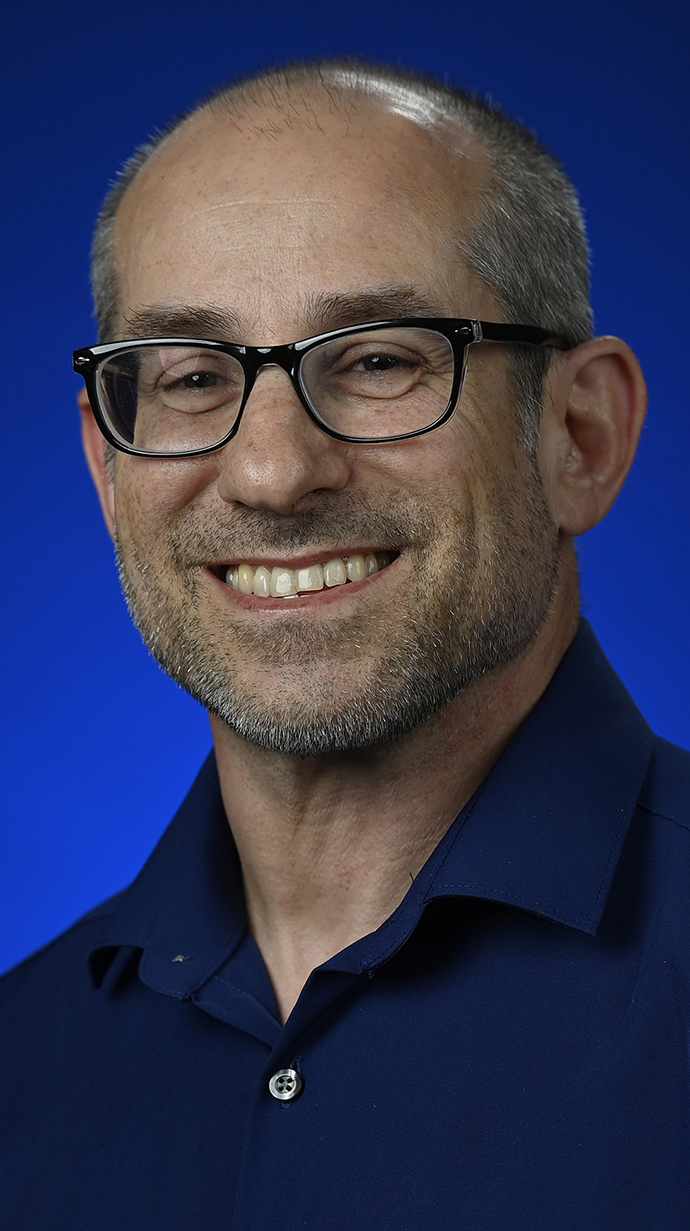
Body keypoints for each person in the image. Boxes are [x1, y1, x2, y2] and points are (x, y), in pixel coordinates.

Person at [2, 58, 688, 1230]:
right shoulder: (21, 1057)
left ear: (580, 434)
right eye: (191, 376)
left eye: (378, 358)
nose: (272, 472)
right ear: (106, 465)